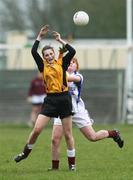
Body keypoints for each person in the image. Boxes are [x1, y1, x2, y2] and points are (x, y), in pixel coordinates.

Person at [14, 25, 76, 171]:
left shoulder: (62, 63)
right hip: (50, 100)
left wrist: (60, 40)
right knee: (37, 129)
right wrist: (39, 37)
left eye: (50, 54)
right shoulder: (42, 66)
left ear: (54, 53)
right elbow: (33, 51)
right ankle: (25, 153)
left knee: (67, 135)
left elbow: (72, 51)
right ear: (44, 57)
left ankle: (72, 165)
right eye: (46, 55)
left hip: (64, 99)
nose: (48, 56)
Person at [49, 57, 124, 170]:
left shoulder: (78, 76)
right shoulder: (60, 73)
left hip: (77, 111)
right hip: (62, 110)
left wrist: (55, 71)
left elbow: (68, 79)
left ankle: (113, 133)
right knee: (55, 139)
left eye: (73, 62)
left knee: (92, 137)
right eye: (68, 62)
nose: (70, 64)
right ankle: (55, 168)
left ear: (77, 66)